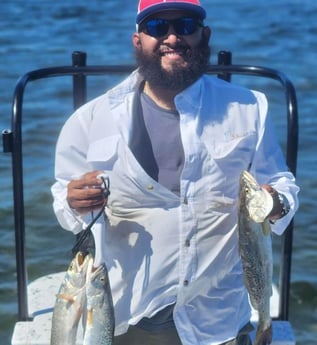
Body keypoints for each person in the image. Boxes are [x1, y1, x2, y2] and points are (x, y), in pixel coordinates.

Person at [51, 0, 299, 344]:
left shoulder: (249, 108)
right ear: (138, 40)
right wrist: (73, 202)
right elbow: (65, 209)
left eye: (184, 26)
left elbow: (283, 185)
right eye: (156, 27)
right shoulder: (89, 121)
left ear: (204, 35)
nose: (172, 37)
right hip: (127, 316)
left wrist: (276, 202)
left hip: (219, 320)